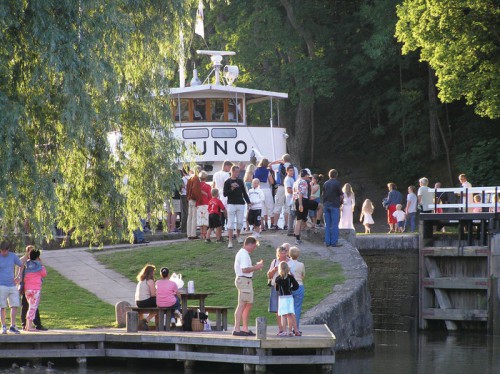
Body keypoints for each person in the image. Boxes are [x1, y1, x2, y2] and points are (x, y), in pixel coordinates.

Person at [233, 236, 264, 336]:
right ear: (249, 244)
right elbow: (245, 269)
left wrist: (255, 267)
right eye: (254, 246)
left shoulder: (243, 253)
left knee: (248, 304)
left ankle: (244, 328)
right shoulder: (244, 254)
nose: (254, 249)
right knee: (242, 304)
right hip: (243, 280)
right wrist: (257, 267)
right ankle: (237, 329)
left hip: (246, 281)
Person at [0, 242, 30, 334]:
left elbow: (21, 265)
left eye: (5, 251)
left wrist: (19, 276)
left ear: (8, 250)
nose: (3, 253)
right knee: (2, 306)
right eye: (1, 251)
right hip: (1, 285)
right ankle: (4, 326)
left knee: (15, 305)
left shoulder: (12, 256)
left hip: (12, 284)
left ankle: (12, 326)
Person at [224, 165, 251, 249]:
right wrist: (232, 188)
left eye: (238, 172)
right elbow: (225, 194)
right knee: (230, 223)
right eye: (235, 172)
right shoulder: (227, 182)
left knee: (240, 222)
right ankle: (230, 241)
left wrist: (248, 202)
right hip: (231, 203)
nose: (237, 174)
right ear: (232, 172)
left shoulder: (240, 181)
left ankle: (238, 235)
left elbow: (244, 192)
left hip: (240, 203)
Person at [269, 154, 298, 231]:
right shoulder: (294, 168)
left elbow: (269, 165)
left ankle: (275, 224)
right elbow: (296, 178)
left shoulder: (279, 166)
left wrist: (277, 161)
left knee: (278, 205)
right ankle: (286, 225)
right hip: (291, 187)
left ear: (283, 159)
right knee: (287, 207)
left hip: (281, 187)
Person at [267, 245, 290, 334]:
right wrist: (274, 270)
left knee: (288, 309)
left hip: (287, 288)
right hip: (276, 287)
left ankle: (288, 328)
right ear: (278, 254)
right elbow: (269, 275)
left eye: (284, 253)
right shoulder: (275, 262)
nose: (283, 255)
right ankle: (280, 328)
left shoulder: (290, 262)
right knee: (277, 308)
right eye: (281, 254)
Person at [23, 248, 47, 332]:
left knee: (30, 306)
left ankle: (26, 325)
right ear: (38, 257)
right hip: (35, 289)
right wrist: (42, 264)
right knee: (33, 308)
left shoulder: (28, 264)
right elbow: (44, 274)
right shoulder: (39, 266)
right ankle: (29, 327)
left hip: (27, 289)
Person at [293, 169, 319, 245]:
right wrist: (301, 204)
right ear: (306, 175)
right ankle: (297, 237)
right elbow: (300, 194)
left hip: (296, 201)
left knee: (299, 219)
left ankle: (297, 234)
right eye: (308, 175)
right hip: (302, 201)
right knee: (299, 220)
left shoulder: (296, 181)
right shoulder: (303, 182)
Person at [275, 261, 300, 337]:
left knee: (283, 315)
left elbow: (277, 289)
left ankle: (284, 331)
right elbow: (296, 286)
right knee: (290, 314)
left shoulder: (278, 279)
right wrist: (291, 289)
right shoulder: (290, 277)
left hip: (282, 298)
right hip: (289, 297)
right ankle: (290, 331)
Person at [322, 169, 343, 247]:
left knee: (327, 224)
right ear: (336, 175)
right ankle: (334, 242)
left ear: (329, 175)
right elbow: (341, 196)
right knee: (334, 224)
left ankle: (327, 242)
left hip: (326, 205)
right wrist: (341, 203)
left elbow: (323, 194)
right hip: (334, 205)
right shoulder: (337, 183)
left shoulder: (325, 183)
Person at [253, 158, 275, 230]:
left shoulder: (256, 170)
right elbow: (271, 182)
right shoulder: (267, 171)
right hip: (266, 189)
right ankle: (272, 224)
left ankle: (264, 224)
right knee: (270, 206)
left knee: (263, 208)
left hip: (259, 190)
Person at [135, 264, 157, 330]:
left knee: (157, 302)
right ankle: (146, 320)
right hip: (145, 301)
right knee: (161, 303)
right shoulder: (150, 281)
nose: (154, 274)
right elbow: (153, 295)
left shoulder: (141, 281)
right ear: (151, 273)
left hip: (138, 302)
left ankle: (143, 322)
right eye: (153, 272)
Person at [212, 161, 233, 230]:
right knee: (225, 210)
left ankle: (220, 225)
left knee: (219, 210)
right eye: (229, 167)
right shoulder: (226, 175)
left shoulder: (215, 174)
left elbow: (213, 185)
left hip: (217, 193)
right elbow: (226, 185)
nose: (230, 169)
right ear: (226, 166)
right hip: (224, 193)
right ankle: (227, 224)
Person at [289, 246, 305, 332]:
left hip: (289, 286)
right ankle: (296, 328)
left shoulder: (287, 264)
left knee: (289, 308)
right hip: (299, 285)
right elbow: (303, 275)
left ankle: (289, 327)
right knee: (297, 308)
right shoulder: (301, 264)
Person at [186, 165, 202, 239]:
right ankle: (193, 234)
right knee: (194, 217)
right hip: (194, 199)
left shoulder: (190, 178)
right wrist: (198, 199)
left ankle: (189, 233)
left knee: (190, 217)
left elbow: (187, 188)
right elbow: (195, 189)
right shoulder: (196, 178)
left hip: (190, 199)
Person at [197, 171, 212, 240]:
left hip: (198, 204)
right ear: (206, 178)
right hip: (206, 203)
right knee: (205, 220)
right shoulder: (208, 186)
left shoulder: (197, 186)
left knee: (200, 220)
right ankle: (204, 234)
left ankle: (201, 234)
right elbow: (210, 196)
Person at [284, 166, 297, 236]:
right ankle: (290, 230)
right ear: (287, 171)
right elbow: (289, 190)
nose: (292, 172)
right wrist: (297, 192)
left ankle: (292, 229)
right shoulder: (287, 179)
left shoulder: (292, 179)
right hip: (290, 199)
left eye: (293, 171)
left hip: (293, 198)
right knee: (291, 214)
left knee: (293, 214)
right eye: (290, 171)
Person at [180, 168, 190, 233]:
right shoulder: (191, 178)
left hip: (183, 195)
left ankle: (184, 228)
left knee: (184, 212)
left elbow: (181, 187)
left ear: (183, 172)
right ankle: (189, 227)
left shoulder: (183, 179)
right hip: (189, 196)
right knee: (189, 212)